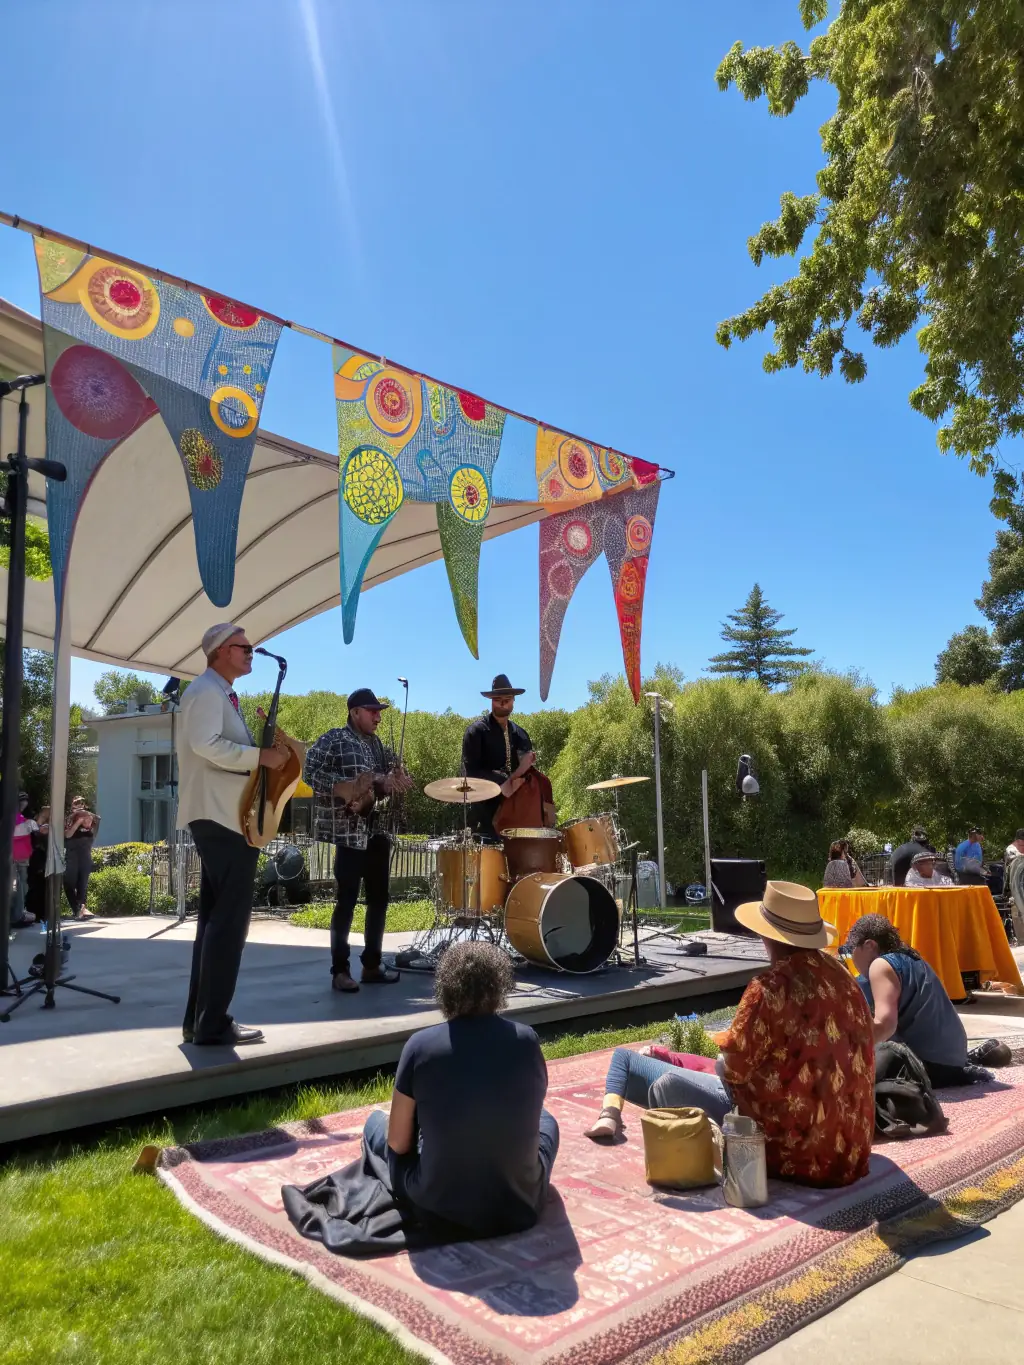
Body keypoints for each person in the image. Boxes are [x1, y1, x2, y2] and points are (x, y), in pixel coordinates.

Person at [585, 881, 875, 1188]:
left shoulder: (769, 988)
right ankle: (613, 1111)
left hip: (787, 1151)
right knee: (661, 1074)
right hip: (848, 1152)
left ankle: (615, 1116)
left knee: (663, 1084)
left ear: (765, 935)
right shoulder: (844, 978)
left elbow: (731, 1070)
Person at [365, 941, 559, 1237]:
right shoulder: (527, 1040)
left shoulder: (420, 1046)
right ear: (499, 986)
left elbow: (398, 1143)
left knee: (375, 1125)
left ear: (446, 988)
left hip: (436, 1211)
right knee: (548, 1121)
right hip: (518, 1209)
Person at [175, 623, 287, 1046]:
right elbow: (206, 744)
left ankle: (200, 1020)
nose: (251, 654)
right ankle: (213, 1022)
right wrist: (262, 756)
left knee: (214, 922)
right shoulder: (206, 691)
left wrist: (266, 749)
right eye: (244, 648)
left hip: (219, 816)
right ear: (220, 651)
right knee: (229, 922)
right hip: (221, 817)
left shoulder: (215, 692)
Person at [304, 688, 413, 993]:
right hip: (348, 832)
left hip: (376, 829)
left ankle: (371, 965)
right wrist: (344, 787)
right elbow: (308, 771)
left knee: (379, 899)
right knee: (347, 902)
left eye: (379, 711)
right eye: (372, 711)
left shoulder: (378, 745)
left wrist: (391, 780)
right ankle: (340, 971)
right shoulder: (334, 739)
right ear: (354, 712)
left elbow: (384, 779)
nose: (378, 716)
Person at [844, 914, 999, 1086]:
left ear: (869, 945)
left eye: (849, 950)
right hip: (953, 1062)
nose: (850, 958)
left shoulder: (880, 966)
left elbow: (885, 1025)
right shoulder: (911, 959)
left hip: (929, 1067)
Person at [461, 674, 541, 837]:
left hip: (517, 815)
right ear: (491, 700)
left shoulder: (520, 734)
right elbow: (471, 773)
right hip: (485, 815)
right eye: (498, 698)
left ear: (514, 700)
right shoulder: (476, 732)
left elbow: (525, 772)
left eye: (508, 698)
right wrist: (505, 781)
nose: (503, 703)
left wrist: (520, 775)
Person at [63, 796, 100, 920]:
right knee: (69, 882)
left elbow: (93, 833)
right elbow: (68, 835)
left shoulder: (92, 818)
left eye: (81, 804)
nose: (79, 806)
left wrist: (87, 820)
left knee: (82, 883)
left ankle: (81, 908)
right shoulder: (70, 819)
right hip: (72, 854)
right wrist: (78, 822)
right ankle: (76, 909)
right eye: (76, 804)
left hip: (85, 854)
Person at [10, 794, 37, 927]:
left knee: (23, 887)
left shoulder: (23, 817)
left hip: (23, 856)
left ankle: (19, 911)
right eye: (21, 802)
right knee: (17, 887)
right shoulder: (12, 817)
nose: (23, 804)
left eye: (25, 802)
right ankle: (17, 915)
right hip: (14, 857)